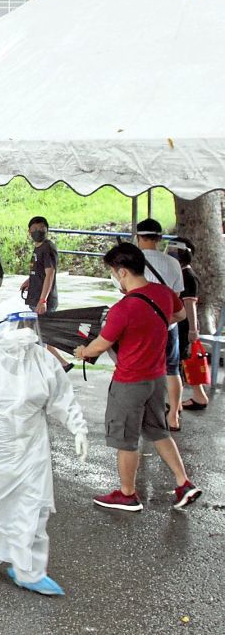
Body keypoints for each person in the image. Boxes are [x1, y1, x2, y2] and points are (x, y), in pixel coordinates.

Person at [0, 311, 89, 596]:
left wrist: (78, 427)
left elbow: (62, 396)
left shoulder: (44, 361)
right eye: (18, 326)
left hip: (32, 449)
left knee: (33, 508)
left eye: (28, 327)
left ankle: (29, 570)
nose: (24, 333)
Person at [74, 243, 202, 512]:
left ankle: (127, 494)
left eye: (112, 271)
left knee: (126, 439)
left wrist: (83, 351)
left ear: (121, 272)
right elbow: (179, 314)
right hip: (156, 379)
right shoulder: (163, 294)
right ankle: (183, 483)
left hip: (129, 381)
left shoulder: (124, 309)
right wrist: (153, 327)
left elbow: (99, 346)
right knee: (158, 431)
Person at [134, 218, 186, 431]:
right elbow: (177, 297)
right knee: (172, 370)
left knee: (139, 370)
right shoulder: (173, 263)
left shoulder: (131, 263)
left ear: (138, 238)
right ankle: (173, 416)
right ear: (160, 238)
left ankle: (142, 415)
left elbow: (125, 291)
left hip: (139, 328)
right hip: (168, 325)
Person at [21, 216, 72, 371]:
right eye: (35, 229)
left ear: (47, 230)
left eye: (41, 228)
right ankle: (63, 364)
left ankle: (41, 370)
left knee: (39, 338)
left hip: (42, 300)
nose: (38, 231)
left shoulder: (47, 248)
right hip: (35, 296)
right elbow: (39, 271)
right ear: (29, 231)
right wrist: (29, 280)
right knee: (41, 335)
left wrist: (43, 300)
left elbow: (50, 274)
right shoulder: (38, 248)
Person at [170, 239, 210, 411]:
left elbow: (189, 305)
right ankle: (198, 396)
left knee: (180, 363)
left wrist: (193, 330)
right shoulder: (183, 274)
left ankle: (179, 403)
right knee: (184, 361)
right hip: (182, 324)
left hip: (184, 325)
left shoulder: (188, 277)